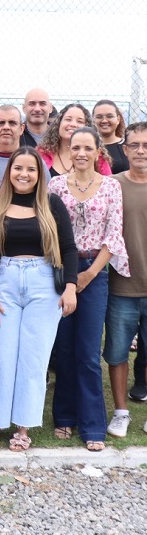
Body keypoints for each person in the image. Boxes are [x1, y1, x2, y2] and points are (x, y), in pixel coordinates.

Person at [0, 147, 77, 452]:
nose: (24, 174)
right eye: (18, 168)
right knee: (2, 356)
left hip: (42, 284)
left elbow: (69, 248)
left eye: (31, 169)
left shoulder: (51, 203)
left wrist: (70, 287)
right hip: (6, 283)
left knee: (34, 358)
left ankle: (23, 425)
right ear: (9, 171)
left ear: (39, 173)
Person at [47, 128, 126, 450]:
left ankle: (93, 424)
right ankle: (64, 417)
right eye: (75, 147)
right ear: (69, 150)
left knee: (89, 352)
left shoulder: (111, 186)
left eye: (87, 148)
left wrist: (90, 274)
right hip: (61, 271)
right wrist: (69, 276)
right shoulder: (55, 185)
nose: (80, 153)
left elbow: (114, 235)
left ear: (98, 152)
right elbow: (49, 231)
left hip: (95, 271)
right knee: (64, 349)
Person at [103, 122, 147, 437]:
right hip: (121, 288)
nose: (141, 151)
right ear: (125, 149)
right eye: (135, 145)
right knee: (117, 353)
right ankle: (121, 413)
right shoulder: (111, 186)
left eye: (146, 145)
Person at [0, 104, 47, 191]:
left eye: (12, 123)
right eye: (1, 123)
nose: (6, 127)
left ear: (21, 129)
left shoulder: (37, 163)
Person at [37, 104, 111, 177]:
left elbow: (108, 182)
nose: (73, 124)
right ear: (58, 124)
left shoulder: (97, 157)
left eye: (79, 121)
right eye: (68, 119)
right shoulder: (42, 153)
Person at [93, 100, 128, 174]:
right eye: (99, 117)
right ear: (93, 120)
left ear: (118, 119)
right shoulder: (88, 147)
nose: (104, 121)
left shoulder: (128, 146)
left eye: (109, 116)